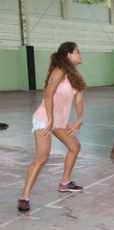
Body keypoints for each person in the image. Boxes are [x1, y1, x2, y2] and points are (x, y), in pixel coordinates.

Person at [18, 42, 87, 216]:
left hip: (59, 122)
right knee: (42, 157)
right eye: (77, 52)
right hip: (45, 118)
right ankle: (24, 198)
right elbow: (48, 94)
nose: (81, 54)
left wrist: (79, 119)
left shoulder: (75, 76)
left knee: (75, 147)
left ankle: (65, 183)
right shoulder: (59, 70)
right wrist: (49, 121)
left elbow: (78, 100)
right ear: (69, 55)